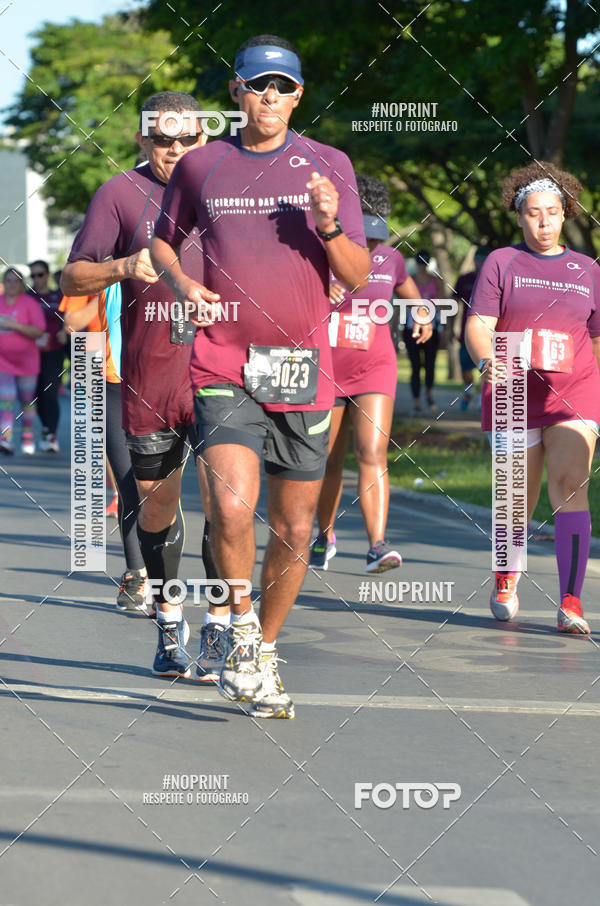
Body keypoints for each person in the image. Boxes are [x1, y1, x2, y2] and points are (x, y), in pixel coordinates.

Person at [151, 34, 369, 718]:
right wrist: (184, 281)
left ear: (299, 95)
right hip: (223, 361)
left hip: (301, 368)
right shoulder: (202, 166)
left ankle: (263, 648)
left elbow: (357, 277)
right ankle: (241, 624)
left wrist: (330, 225)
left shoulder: (329, 164)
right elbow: (162, 239)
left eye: (283, 86)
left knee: (296, 530)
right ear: (235, 91)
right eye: (257, 85)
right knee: (232, 505)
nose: (270, 96)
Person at [61, 91, 225, 678]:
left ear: (204, 138)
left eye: (187, 139)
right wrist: (125, 266)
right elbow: (73, 273)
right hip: (150, 380)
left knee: (226, 508)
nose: (176, 150)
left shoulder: (233, 190)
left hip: (221, 375)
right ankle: (169, 621)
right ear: (143, 141)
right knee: (159, 515)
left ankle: (220, 629)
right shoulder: (120, 194)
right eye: (163, 140)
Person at [466, 161, 600, 634]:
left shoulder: (589, 270)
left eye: (552, 212)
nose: (543, 222)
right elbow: (478, 325)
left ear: (566, 215)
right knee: (515, 499)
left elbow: (597, 338)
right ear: (519, 217)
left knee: (570, 484)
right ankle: (506, 574)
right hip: (513, 390)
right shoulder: (502, 262)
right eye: (533, 214)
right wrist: (486, 360)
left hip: (575, 391)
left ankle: (571, 600)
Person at [311, 174, 431, 573]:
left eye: (380, 236)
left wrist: (423, 316)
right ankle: (323, 533)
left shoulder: (391, 260)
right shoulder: (318, 253)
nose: (374, 245)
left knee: (373, 451)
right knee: (328, 458)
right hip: (326, 366)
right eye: (368, 236)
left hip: (375, 365)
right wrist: (317, 292)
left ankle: (377, 544)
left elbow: (416, 298)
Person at [0, 267, 46, 455]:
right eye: (8, 280)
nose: (12, 284)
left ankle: (27, 433)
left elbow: (39, 331)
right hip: (3, 361)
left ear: (21, 284)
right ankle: (6, 439)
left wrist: (13, 325)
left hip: (27, 362)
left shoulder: (30, 304)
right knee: (7, 398)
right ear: (4, 283)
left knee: (27, 400)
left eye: (16, 281)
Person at [27, 260, 67, 452]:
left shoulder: (58, 296)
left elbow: (70, 315)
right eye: (33, 275)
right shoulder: (27, 297)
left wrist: (65, 330)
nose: (36, 279)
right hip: (30, 353)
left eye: (40, 274)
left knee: (50, 392)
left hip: (54, 351)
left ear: (48, 274)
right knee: (35, 395)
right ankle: (45, 428)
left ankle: (51, 435)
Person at [404, 250, 443, 414]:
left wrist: (442, 326)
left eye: (424, 262)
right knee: (415, 366)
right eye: (419, 263)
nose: (422, 266)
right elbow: (401, 304)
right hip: (411, 329)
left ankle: (428, 393)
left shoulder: (436, 281)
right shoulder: (409, 281)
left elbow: (442, 304)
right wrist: (394, 326)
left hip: (431, 329)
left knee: (430, 365)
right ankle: (416, 400)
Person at [454, 246, 487, 410]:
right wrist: (449, 329)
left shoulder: (493, 280)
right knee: (466, 369)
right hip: (465, 332)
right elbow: (453, 304)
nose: (480, 262)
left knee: (485, 365)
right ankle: (468, 391)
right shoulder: (464, 279)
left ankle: (482, 396)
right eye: (478, 259)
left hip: (488, 333)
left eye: (483, 259)